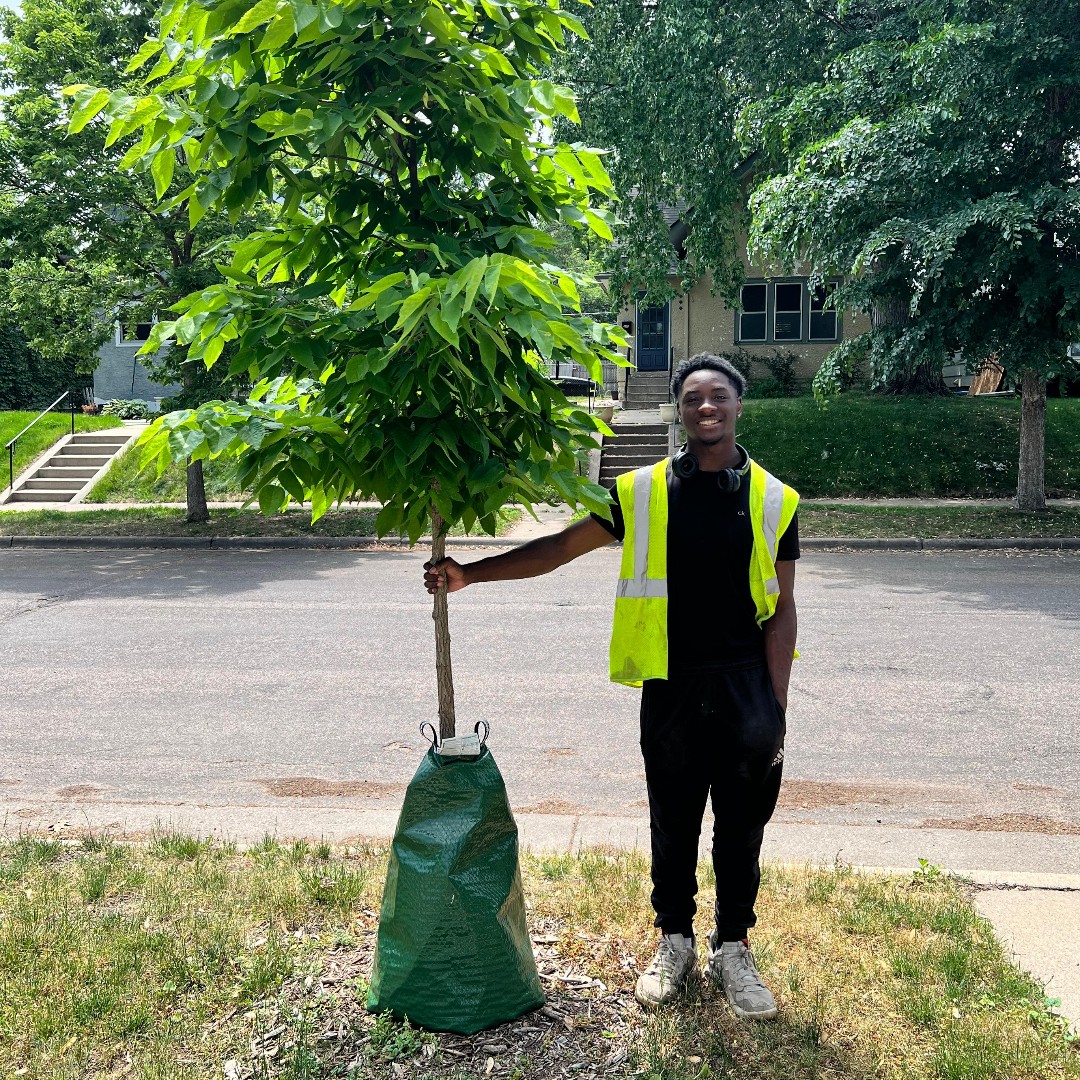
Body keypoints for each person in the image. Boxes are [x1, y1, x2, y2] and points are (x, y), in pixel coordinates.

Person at [424, 353, 799, 1019]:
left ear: (739, 406)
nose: (705, 408)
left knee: (742, 829)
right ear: (680, 412)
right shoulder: (641, 492)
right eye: (692, 399)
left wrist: (777, 705)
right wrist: (472, 574)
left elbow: (783, 607)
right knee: (673, 821)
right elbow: (559, 548)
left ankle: (733, 947)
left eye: (717, 397)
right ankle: (675, 941)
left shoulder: (775, 500)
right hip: (672, 686)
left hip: (747, 690)